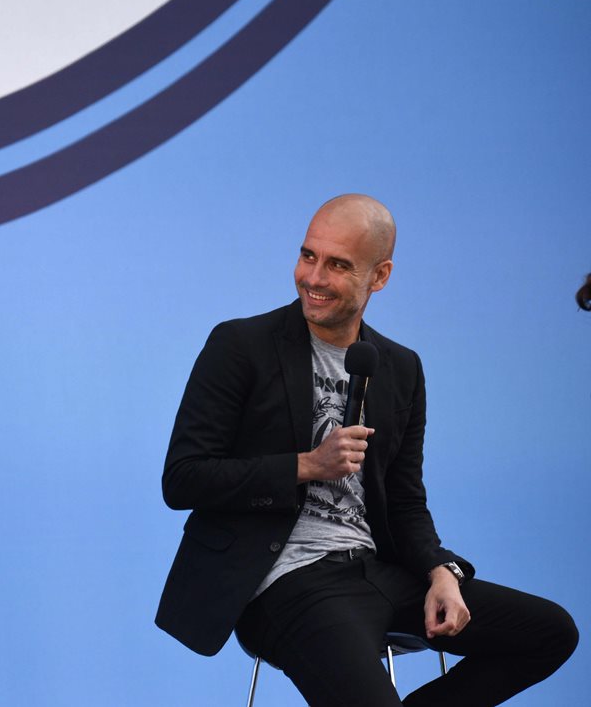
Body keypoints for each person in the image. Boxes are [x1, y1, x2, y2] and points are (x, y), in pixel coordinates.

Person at [155, 194, 577, 706]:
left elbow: (404, 501)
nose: (313, 277)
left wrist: (442, 571)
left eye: (337, 265)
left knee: (551, 633)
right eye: (308, 255)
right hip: (284, 582)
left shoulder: (401, 367)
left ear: (380, 276)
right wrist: (307, 466)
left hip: (378, 572)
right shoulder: (241, 345)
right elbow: (183, 478)